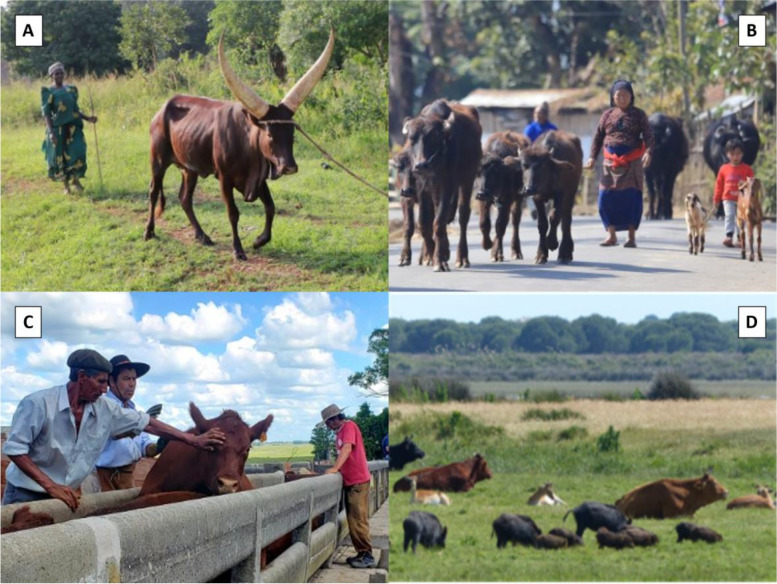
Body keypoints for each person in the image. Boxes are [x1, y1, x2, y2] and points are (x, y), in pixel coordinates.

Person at [2, 349, 225, 510]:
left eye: (107, 383)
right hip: (26, 493)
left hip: (64, 495)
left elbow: (147, 422)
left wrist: (192, 440)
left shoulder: (105, 408)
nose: (104, 389)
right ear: (81, 377)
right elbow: (15, 449)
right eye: (100, 382)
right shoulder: (38, 404)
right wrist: (51, 486)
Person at [584, 80, 654, 248]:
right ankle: (611, 235)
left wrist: (648, 152)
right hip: (610, 162)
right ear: (613, 97)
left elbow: (649, 136)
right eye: (618, 95)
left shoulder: (639, 115)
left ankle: (631, 237)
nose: (622, 98)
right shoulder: (607, 115)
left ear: (631, 96)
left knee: (632, 199)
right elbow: (598, 137)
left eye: (625, 94)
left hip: (632, 162)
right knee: (605, 198)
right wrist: (592, 157)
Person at [94, 355, 159, 491]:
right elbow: (117, 432)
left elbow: (143, 443)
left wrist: (156, 447)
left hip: (127, 477)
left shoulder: (132, 410)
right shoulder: (103, 406)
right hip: (102, 477)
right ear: (112, 381)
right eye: (126, 378)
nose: (132, 384)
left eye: (134, 379)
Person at [320, 404, 374, 569]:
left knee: (357, 519)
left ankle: (367, 555)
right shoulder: (340, 432)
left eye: (329, 423)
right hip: (351, 481)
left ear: (335, 419)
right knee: (353, 519)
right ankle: (362, 553)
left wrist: (335, 468)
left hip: (357, 481)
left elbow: (347, 448)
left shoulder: (349, 426)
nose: (328, 427)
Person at [41, 62, 97, 194]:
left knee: (78, 152)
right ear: (51, 75)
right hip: (57, 130)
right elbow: (47, 114)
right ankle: (66, 187)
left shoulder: (71, 89)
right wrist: (51, 133)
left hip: (73, 128)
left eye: (61, 72)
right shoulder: (48, 92)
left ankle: (76, 180)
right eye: (56, 73)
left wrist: (88, 118)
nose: (59, 75)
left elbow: (75, 110)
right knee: (61, 158)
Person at [714, 138, 754, 248]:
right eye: (732, 154)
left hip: (742, 199)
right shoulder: (723, 169)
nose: (735, 157)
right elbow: (719, 185)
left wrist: (750, 194)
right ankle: (729, 236)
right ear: (727, 154)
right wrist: (716, 199)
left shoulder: (747, 169)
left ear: (742, 154)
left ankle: (740, 238)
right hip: (727, 198)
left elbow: (751, 183)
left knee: (741, 218)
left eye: (738, 154)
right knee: (729, 215)